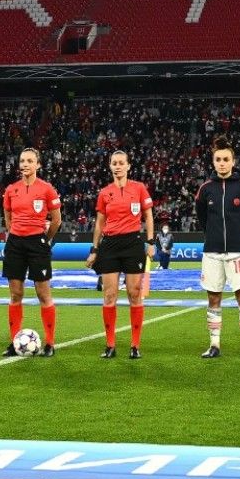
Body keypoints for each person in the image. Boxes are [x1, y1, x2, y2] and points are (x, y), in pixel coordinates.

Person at [194, 136, 240, 359]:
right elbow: (202, 218)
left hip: (238, 251)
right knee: (214, 298)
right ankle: (214, 345)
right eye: (218, 159)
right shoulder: (205, 189)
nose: (222, 163)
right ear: (213, 162)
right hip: (212, 251)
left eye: (226, 159)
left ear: (233, 162)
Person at [85, 150, 155, 359]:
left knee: (134, 293)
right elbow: (99, 223)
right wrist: (94, 249)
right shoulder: (105, 193)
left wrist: (150, 242)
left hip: (133, 243)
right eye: (114, 163)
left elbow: (148, 216)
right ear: (110, 166)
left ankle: (135, 345)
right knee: (109, 295)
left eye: (121, 163)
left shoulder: (139, 189)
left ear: (128, 166)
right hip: (110, 246)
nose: (118, 166)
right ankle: (110, 344)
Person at [0, 148, 62, 357]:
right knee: (15, 294)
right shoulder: (11, 190)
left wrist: (46, 239)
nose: (25, 164)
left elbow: (56, 220)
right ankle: (14, 342)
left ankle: (50, 343)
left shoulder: (47, 189)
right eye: (22, 161)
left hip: (38, 243)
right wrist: (15, 234)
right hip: (16, 244)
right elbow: (8, 217)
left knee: (43, 294)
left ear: (38, 165)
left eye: (30, 161)